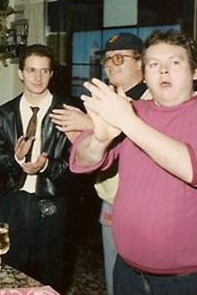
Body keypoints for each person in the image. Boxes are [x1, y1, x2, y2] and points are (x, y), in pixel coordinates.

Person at [71, 30, 197, 295]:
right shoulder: (134, 111)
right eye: (153, 64)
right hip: (128, 271)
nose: (163, 71)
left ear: (195, 71)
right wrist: (100, 140)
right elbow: (82, 160)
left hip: (191, 279)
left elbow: (195, 169)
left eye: (175, 62)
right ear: (145, 74)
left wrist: (128, 122)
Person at [49, 32, 150, 295]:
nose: (110, 65)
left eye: (119, 58)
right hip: (111, 198)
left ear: (140, 62)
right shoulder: (106, 99)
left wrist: (89, 125)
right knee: (115, 277)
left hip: (146, 206)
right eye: (107, 59)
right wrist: (81, 136)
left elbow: (148, 148)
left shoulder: (154, 100)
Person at [0, 44, 71, 291]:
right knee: (9, 272)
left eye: (44, 71)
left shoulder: (67, 113)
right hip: (12, 201)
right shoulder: (5, 113)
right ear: (20, 73)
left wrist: (46, 166)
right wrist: (15, 158)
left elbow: (77, 165)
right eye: (32, 70)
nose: (38, 77)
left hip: (51, 202)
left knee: (49, 277)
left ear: (52, 74)